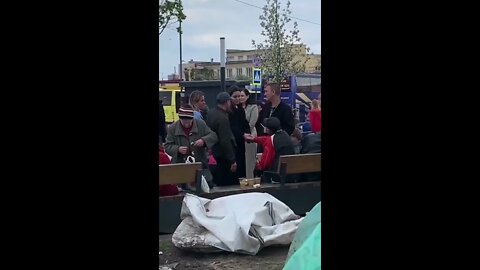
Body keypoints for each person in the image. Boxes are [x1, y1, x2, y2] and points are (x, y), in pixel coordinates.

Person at [164, 104, 218, 187]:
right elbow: (167, 146)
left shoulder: (201, 124)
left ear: (192, 118)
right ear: (180, 118)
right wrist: (177, 149)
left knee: (206, 186)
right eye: (183, 120)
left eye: (188, 121)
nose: (186, 123)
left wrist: (203, 140)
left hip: (200, 164)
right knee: (183, 188)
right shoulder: (172, 128)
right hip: (180, 166)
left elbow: (213, 136)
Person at [244, 117, 296, 183]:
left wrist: (256, 164)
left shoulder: (271, 141)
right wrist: (254, 139)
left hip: (276, 176)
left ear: (268, 129)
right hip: (290, 174)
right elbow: (266, 139)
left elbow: (264, 163)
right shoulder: (285, 135)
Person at [206, 92, 238, 186]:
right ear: (227, 102)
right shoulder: (223, 118)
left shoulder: (211, 113)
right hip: (223, 156)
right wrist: (232, 160)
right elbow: (225, 140)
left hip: (214, 153)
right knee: (228, 184)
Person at [228, 85, 250, 179]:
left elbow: (245, 123)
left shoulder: (240, 108)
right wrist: (242, 135)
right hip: (234, 142)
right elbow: (232, 126)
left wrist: (247, 132)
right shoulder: (229, 110)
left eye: (239, 96)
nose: (238, 99)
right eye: (235, 97)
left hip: (241, 142)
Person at [240, 88, 259, 179]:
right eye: (239, 96)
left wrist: (244, 132)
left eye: (242, 96)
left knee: (250, 159)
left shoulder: (253, 107)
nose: (240, 98)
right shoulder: (237, 107)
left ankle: (250, 178)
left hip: (250, 134)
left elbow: (252, 122)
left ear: (247, 96)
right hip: (241, 135)